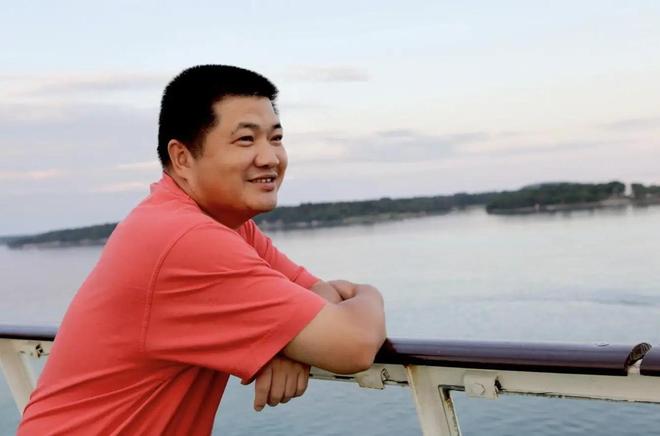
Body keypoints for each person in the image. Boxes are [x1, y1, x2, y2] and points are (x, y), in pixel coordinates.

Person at [17, 65, 386, 435]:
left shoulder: (223, 225)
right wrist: (369, 293)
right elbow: (353, 345)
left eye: (275, 138)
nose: (270, 157)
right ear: (182, 157)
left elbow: (315, 291)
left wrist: (287, 340)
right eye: (246, 140)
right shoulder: (185, 239)